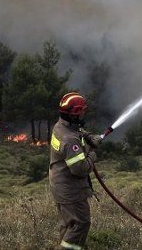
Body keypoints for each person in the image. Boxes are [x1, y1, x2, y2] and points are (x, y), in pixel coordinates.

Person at [49, 92, 101, 250]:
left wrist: (89, 136)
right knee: (81, 223)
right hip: (70, 190)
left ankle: (71, 246)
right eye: (82, 112)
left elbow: (77, 131)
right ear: (74, 114)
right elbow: (80, 169)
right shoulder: (70, 140)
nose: (83, 114)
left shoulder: (60, 126)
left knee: (69, 223)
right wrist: (92, 154)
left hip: (59, 184)